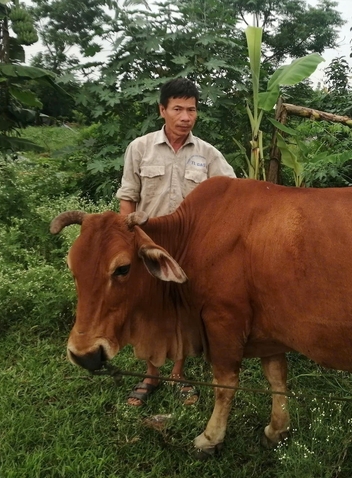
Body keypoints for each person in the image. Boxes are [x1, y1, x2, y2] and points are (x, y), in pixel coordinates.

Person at [116, 78, 236, 406]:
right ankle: (151, 374)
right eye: (178, 109)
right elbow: (128, 198)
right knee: (151, 309)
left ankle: (178, 374)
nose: (186, 117)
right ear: (162, 110)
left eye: (192, 110)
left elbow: (231, 192)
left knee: (184, 309)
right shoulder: (140, 148)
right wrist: (129, 240)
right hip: (148, 241)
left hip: (190, 247)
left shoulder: (208, 154)